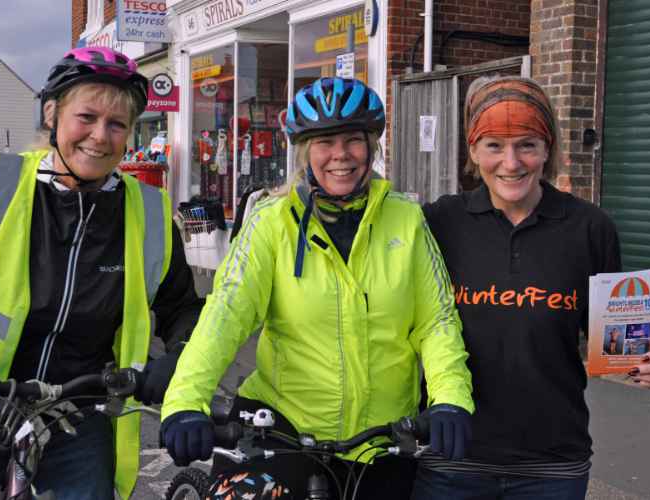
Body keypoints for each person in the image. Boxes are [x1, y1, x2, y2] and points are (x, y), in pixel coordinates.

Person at [0, 46, 204, 500]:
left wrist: (179, 360)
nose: (100, 137)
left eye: (116, 124)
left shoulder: (148, 213)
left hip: (80, 416)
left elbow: (181, 306)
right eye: (85, 117)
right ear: (52, 115)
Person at [160, 77, 475, 499]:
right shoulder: (272, 222)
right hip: (281, 430)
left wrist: (451, 400)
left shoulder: (406, 220)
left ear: (372, 147)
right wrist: (185, 401)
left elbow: (436, 321)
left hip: (382, 441)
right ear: (305, 151)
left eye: (353, 141)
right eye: (324, 142)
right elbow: (226, 313)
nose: (340, 155)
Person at [414, 75, 650, 500]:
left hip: (552, 464)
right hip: (452, 457)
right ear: (473, 150)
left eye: (527, 145)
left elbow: (614, 343)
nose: (511, 163)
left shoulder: (591, 228)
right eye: (494, 144)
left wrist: (644, 364)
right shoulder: (439, 223)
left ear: (547, 149)